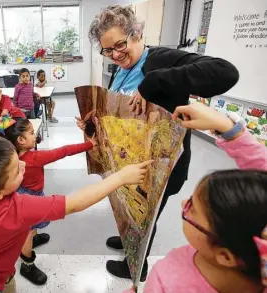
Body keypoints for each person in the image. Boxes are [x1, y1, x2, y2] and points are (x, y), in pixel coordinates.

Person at [87, 4, 239, 280]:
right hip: (130, 162)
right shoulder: (121, 69)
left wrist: (154, 83)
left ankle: (136, 265)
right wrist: (93, 122)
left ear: (136, 34)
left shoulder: (159, 60)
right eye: (108, 50)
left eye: (120, 45)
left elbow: (225, 72)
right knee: (131, 210)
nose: (116, 55)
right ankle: (127, 239)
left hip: (160, 168)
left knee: (147, 217)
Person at [0, 135, 152, 293]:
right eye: (17, 171)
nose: (24, 164)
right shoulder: (19, 207)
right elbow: (73, 204)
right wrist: (120, 177)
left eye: (18, 160)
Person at [124, 103, 267, 293]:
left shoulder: (167, 284)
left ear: (225, 256)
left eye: (191, 209)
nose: (184, 203)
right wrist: (228, 129)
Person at [2, 117, 96, 285]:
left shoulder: (13, 155)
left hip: (25, 193)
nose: (35, 134)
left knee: (32, 225)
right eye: (31, 133)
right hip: (28, 197)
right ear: (21, 140)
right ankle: (27, 265)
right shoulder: (33, 158)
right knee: (27, 231)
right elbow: (64, 151)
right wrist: (90, 144)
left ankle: (33, 238)